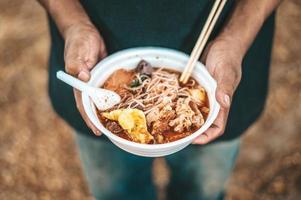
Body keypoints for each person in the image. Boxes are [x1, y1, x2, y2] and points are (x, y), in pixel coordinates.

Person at [38, 0, 282, 199]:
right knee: (117, 193)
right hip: (95, 59)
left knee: (201, 192)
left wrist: (235, 40)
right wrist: (73, 23)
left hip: (220, 62)